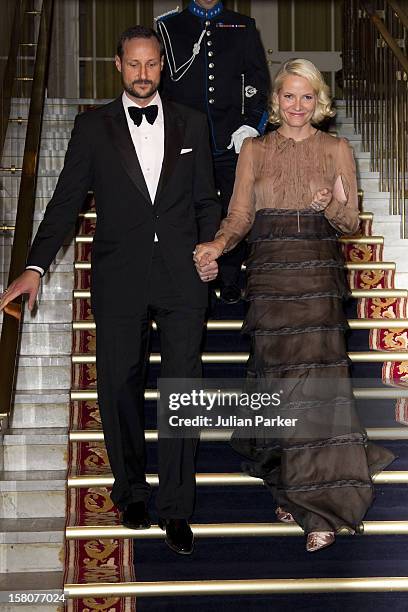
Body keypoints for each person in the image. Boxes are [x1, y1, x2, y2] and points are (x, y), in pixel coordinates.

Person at [0, 25, 220, 556]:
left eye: (152, 65)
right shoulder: (92, 127)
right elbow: (64, 203)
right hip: (120, 277)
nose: (143, 74)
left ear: (161, 66)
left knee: (182, 390)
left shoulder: (192, 122)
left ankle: (177, 508)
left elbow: (206, 201)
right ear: (118, 65)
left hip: (182, 277)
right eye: (134, 64)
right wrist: (33, 266)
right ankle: (131, 493)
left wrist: (212, 246)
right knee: (117, 386)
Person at [194, 58, 395, 552]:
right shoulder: (254, 151)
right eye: (289, 96)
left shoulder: (337, 148)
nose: (298, 105)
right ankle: (290, 485)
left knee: (317, 391)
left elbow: (349, 222)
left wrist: (329, 203)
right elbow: (240, 214)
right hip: (269, 277)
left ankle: (319, 507)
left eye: (307, 97)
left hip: (316, 277)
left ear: (319, 102)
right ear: (276, 100)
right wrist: (217, 247)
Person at [157, 0, 269, 304]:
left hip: (230, 138)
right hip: (184, 140)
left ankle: (231, 275)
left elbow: (258, 80)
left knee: (236, 208)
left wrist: (250, 124)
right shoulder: (169, 27)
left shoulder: (242, 25)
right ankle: (194, 270)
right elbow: (162, 86)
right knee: (189, 207)